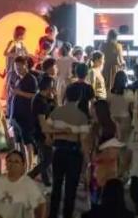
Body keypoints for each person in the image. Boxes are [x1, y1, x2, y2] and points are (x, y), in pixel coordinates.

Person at [48, 82, 91, 218]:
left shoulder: (56, 112)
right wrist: (87, 160)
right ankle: (67, 215)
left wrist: (58, 134)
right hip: (74, 153)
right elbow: (83, 141)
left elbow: (47, 129)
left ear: (66, 95)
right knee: (70, 190)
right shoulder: (82, 116)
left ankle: (53, 214)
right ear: (79, 98)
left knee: (56, 186)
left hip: (58, 151)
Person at [0, 150, 46, 218]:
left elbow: (41, 204)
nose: (12, 164)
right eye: (10, 161)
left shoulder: (28, 183)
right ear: (6, 163)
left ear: (22, 165)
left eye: (16, 162)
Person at [9, 56, 37, 166]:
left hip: (25, 116)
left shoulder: (31, 79)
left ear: (26, 66)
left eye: (19, 67)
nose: (17, 70)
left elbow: (34, 95)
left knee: (27, 142)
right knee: (17, 142)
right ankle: (20, 165)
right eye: (16, 68)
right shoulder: (17, 78)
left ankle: (29, 166)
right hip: (15, 115)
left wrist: (19, 93)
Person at [28, 75, 56, 186]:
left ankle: (46, 180)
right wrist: (47, 136)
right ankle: (31, 175)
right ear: (48, 87)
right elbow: (42, 121)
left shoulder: (41, 98)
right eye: (52, 86)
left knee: (43, 156)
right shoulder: (40, 101)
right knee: (48, 158)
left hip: (37, 131)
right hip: (40, 133)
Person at [107, 70, 133, 145]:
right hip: (125, 119)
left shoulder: (110, 93)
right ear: (125, 80)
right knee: (124, 142)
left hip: (112, 119)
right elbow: (131, 108)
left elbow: (107, 107)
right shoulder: (129, 93)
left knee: (113, 142)